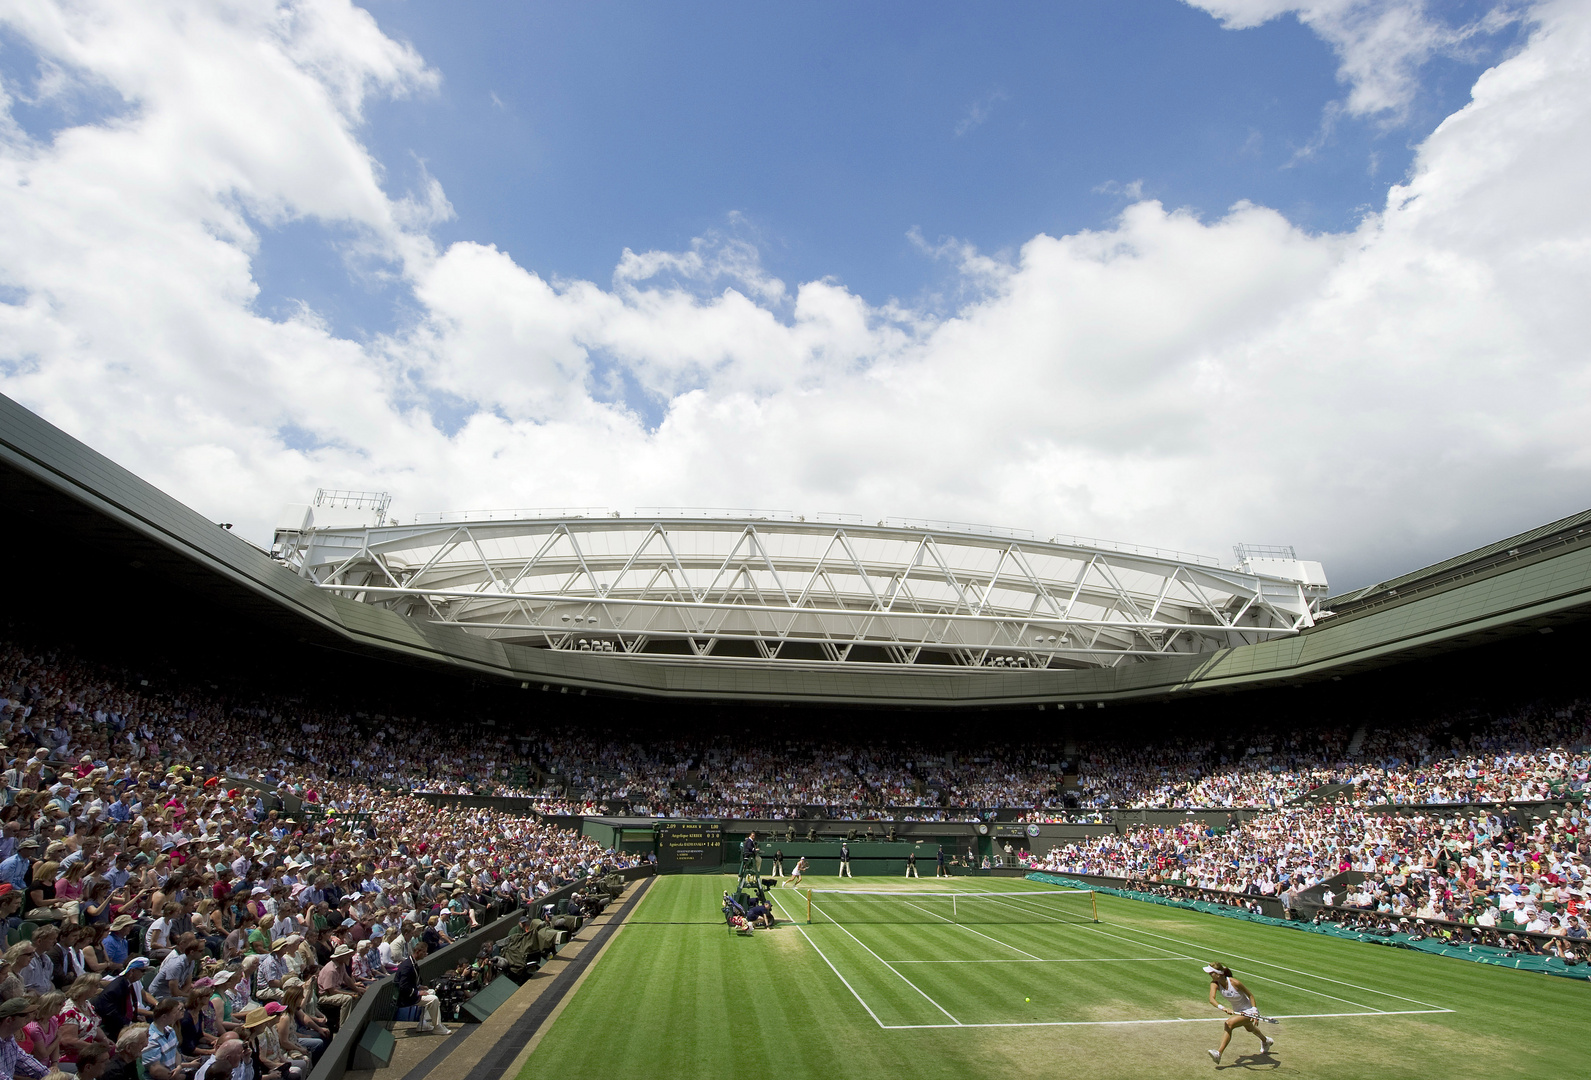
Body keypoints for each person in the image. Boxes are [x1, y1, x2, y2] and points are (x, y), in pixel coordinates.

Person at [1204, 964, 1274, 1063]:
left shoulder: (1234, 982)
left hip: (1249, 1010)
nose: (1209, 974)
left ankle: (1218, 1053)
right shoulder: (1214, 984)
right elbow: (1212, 999)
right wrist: (1224, 1008)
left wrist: (1254, 1012)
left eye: (1212, 973)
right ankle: (1265, 1040)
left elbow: (1250, 996)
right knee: (1249, 1028)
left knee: (1229, 1024)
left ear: (1219, 974)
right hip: (1239, 1011)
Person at [392, 941, 449, 1036]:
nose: (426, 954)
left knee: (431, 992)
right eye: (424, 952)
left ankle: (422, 1023)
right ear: (418, 952)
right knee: (433, 999)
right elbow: (403, 987)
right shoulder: (407, 966)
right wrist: (418, 993)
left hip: (410, 993)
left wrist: (419, 987)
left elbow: (410, 983)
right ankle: (437, 1027)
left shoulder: (412, 962)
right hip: (405, 998)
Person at [0, 997, 49, 1080]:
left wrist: (51, 1076)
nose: (30, 1017)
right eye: (25, 1015)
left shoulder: (10, 1039)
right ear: (9, 1020)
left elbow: (24, 1060)